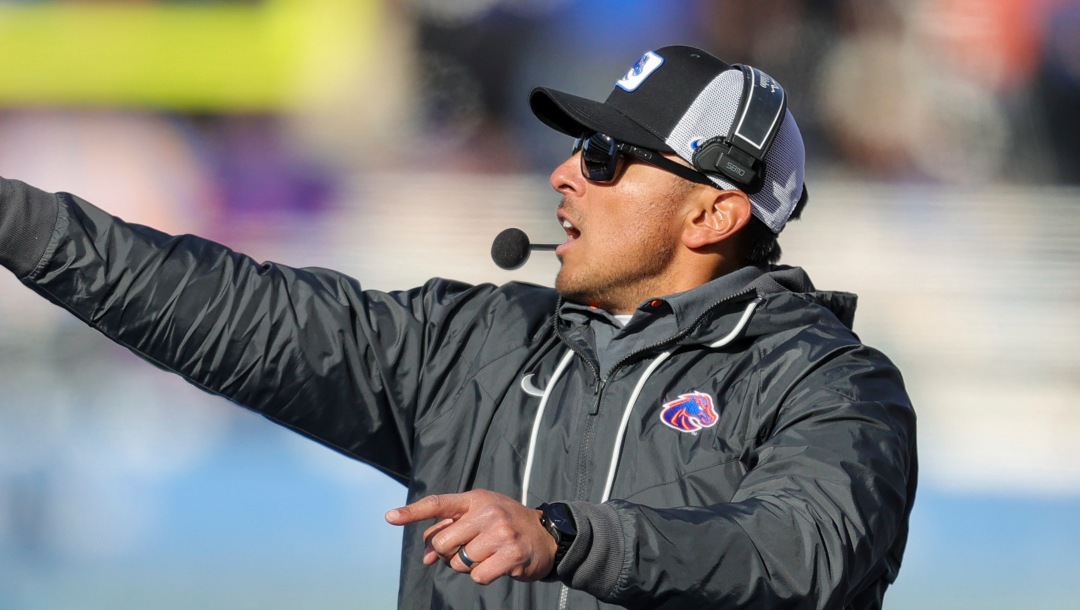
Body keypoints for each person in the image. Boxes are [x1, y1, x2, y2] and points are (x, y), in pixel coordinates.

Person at [0, 45, 917, 609]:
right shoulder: (474, 344)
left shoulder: (829, 385)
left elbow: (800, 553)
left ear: (713, 216)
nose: (562, 173)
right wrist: (14, 220)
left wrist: (568, 536)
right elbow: (237, 311)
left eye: (603, 157)